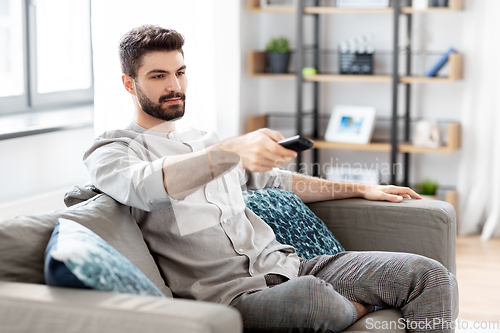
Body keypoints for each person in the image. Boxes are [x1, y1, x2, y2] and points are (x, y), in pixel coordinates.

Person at [84, 25, 458, 332]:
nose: (175, 87)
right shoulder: (113, 150)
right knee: (313, 297)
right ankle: (355, 309)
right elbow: (145, 186)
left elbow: (279, 182)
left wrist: (362, 188)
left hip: (290, 266)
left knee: (428, 275)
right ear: (129, 83)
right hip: (232, 298)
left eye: (180, 72)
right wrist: (229, 152)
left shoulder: (202, 140)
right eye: (158, 76)